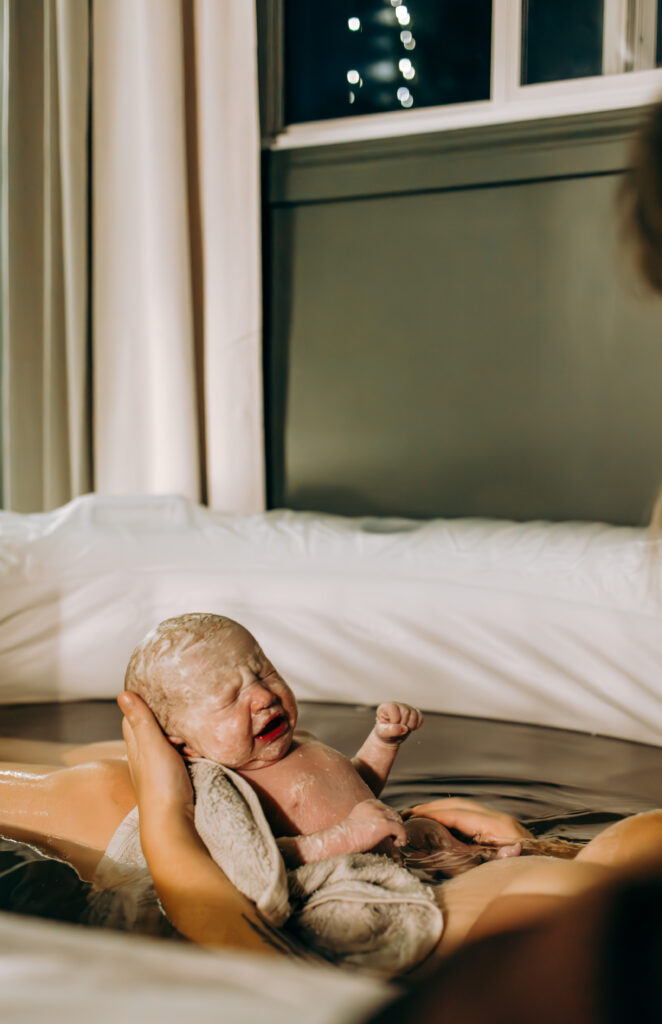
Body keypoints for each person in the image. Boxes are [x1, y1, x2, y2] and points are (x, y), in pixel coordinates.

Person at [3, 611, 662, 971]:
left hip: (351, 887)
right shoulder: (594, 886)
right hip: (472, 875)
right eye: (232, 693)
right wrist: (537, 846)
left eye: (263, 673)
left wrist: (165, 808)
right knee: (100, 783)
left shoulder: (581, 932)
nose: (262, 693)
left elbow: (239, 933)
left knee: (101, 792)